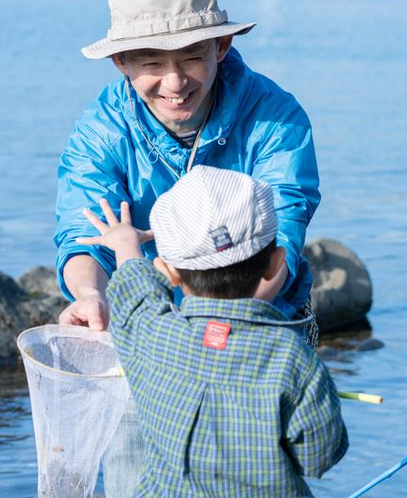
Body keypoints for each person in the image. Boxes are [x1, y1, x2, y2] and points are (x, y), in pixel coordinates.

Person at [52, 0, 321, 495]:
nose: (174, 83)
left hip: (260, 327)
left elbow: (286, 223)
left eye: (192, 58)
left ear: (220, 48)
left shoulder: (275, 116)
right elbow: (83, 232)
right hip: (150, 331)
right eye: (152, 62)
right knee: (137, 472)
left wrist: (227, 329)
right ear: (121, 61)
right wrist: (90, 294)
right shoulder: (100, 130)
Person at [77, 166, 348, 497]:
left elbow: (134, 290)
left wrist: (124, 242)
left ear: (168, 273)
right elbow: (319, 458)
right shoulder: (292, 359)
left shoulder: (151, 333)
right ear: (277, 263)